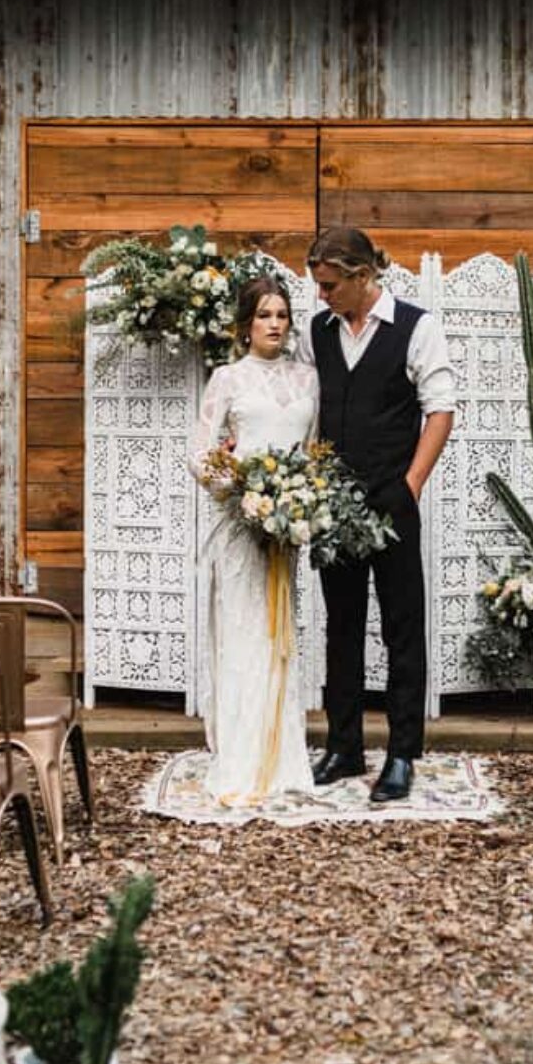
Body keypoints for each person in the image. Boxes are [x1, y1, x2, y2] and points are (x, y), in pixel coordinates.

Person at [296, 227, 455, 802]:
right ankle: (343, 748)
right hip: (334, 506)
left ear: (363, 277)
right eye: (319, 285)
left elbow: (440, 411)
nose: (321, 296)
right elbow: (309, 407)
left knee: (401, 629)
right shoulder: (319, 330)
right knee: (341, 628)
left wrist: (410, 486)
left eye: (330, 285)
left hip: (392, 503)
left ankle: (401, 755)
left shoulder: (417, 327)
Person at [186, 277, 319, 806]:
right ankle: (242, 758)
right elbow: (198, 453)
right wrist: (240, 490)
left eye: (282, 315)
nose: (275, 324)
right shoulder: (227, 378)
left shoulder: (309, 380)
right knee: (246, 634)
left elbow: (312, 452)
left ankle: (283, 756)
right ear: (246, 325)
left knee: (281, 636)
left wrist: (302, 500)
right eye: (264, 314)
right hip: (240, 526)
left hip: (287, 528)